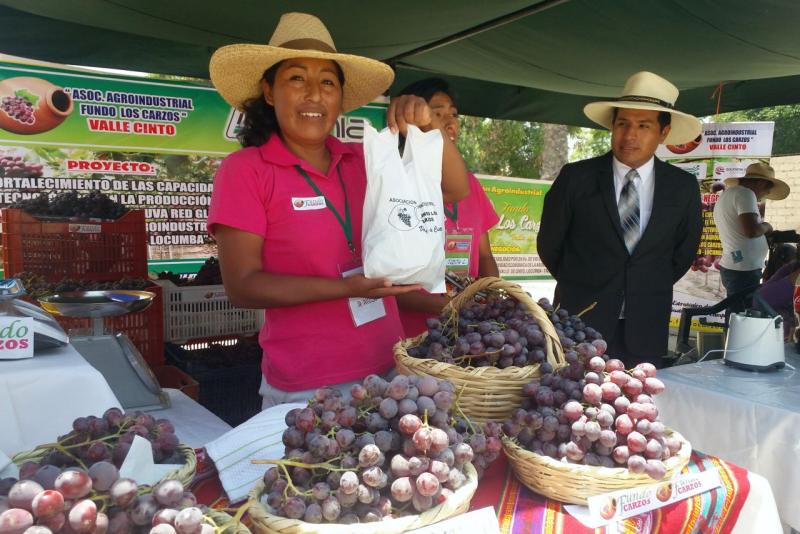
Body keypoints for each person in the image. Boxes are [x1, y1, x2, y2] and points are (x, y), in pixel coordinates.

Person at [206, 13, 470, 407]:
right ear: (270, 91)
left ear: (340, 97)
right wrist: (348, 288)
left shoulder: (364, 159)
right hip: (305, 385)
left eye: (327, 82)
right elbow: (243, 285)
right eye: (297, 78)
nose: (314, 94)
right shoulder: (246, 170)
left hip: (390, 370)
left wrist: (429, 125)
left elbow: (454, 188)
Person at [537, 71, 703, 368]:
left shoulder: (683, 187)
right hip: (580, 324)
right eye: (623, 123)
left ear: (663, 132)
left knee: (637, 409)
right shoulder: (576, 178)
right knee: (575, 407)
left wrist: (642, 283)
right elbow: (550, 245)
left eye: (643, 125)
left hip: (646, 327)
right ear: (612, 126)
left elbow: (682, 254)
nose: (630, 135)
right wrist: (584, 282)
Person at [393, 78, 501, 338]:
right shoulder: (397, 183)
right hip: (412, 335)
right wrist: (447, 305)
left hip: (467, 332)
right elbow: (387, 284)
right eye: (437, 114)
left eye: (453, 114)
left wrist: (491, 295)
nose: (449, 122)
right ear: (410, 120)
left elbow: (485, 256)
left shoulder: (470, 184)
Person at [713, 162, 790, 312]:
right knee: (741, 315)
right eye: (768, 188)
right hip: (743, 270)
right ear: (761, 183)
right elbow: (751, 231)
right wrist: (767, 226)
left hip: (736, 265)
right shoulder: (745, 194)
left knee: (737, 312)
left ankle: (731, 335)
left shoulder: (729, 194)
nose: (767, 193)